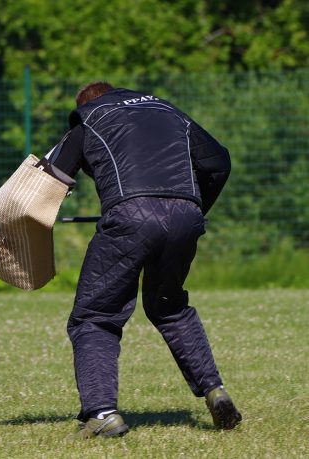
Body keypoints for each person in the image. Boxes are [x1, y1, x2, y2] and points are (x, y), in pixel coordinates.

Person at [46, 82, 241, 438]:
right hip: (186, 213)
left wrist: (15, 223)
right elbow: (218, 162)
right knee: (169, 306)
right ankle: (215, 390)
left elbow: (47, 179)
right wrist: (195, 207)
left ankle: (103, 413)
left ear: (86, 103)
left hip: (130, 215)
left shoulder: (88, 118)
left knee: (96, 316)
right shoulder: (169, 111)